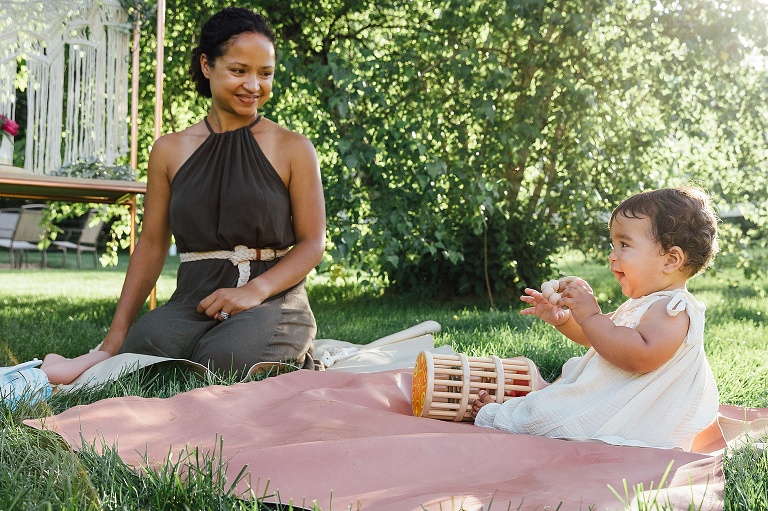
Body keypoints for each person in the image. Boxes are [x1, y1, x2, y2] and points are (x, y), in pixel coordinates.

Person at [89, 7, 325, 374]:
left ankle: (289, 348)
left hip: (273, 299)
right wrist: (114, 339)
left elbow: (313, 242)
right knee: (142, 352)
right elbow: (151, 245)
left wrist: (253, 292)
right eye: (239, 70)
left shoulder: (293, 147)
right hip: (193, 301)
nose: (254, 86)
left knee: (227, 360)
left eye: (265, 74)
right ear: (206, 65)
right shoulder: (169, 150)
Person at [472, 187, 720, 451]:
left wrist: (590, 314)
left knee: (551, 417)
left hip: (630, 416)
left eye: (624, 245)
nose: (613, 255)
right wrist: (566, 319)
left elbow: (639, 356)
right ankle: (523, 410)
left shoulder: (673, 310)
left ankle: (507, 417)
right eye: (613, 245)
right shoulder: (646, 304)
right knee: (557, 399)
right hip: (613, 399)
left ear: (671, 260)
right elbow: (598, 337)